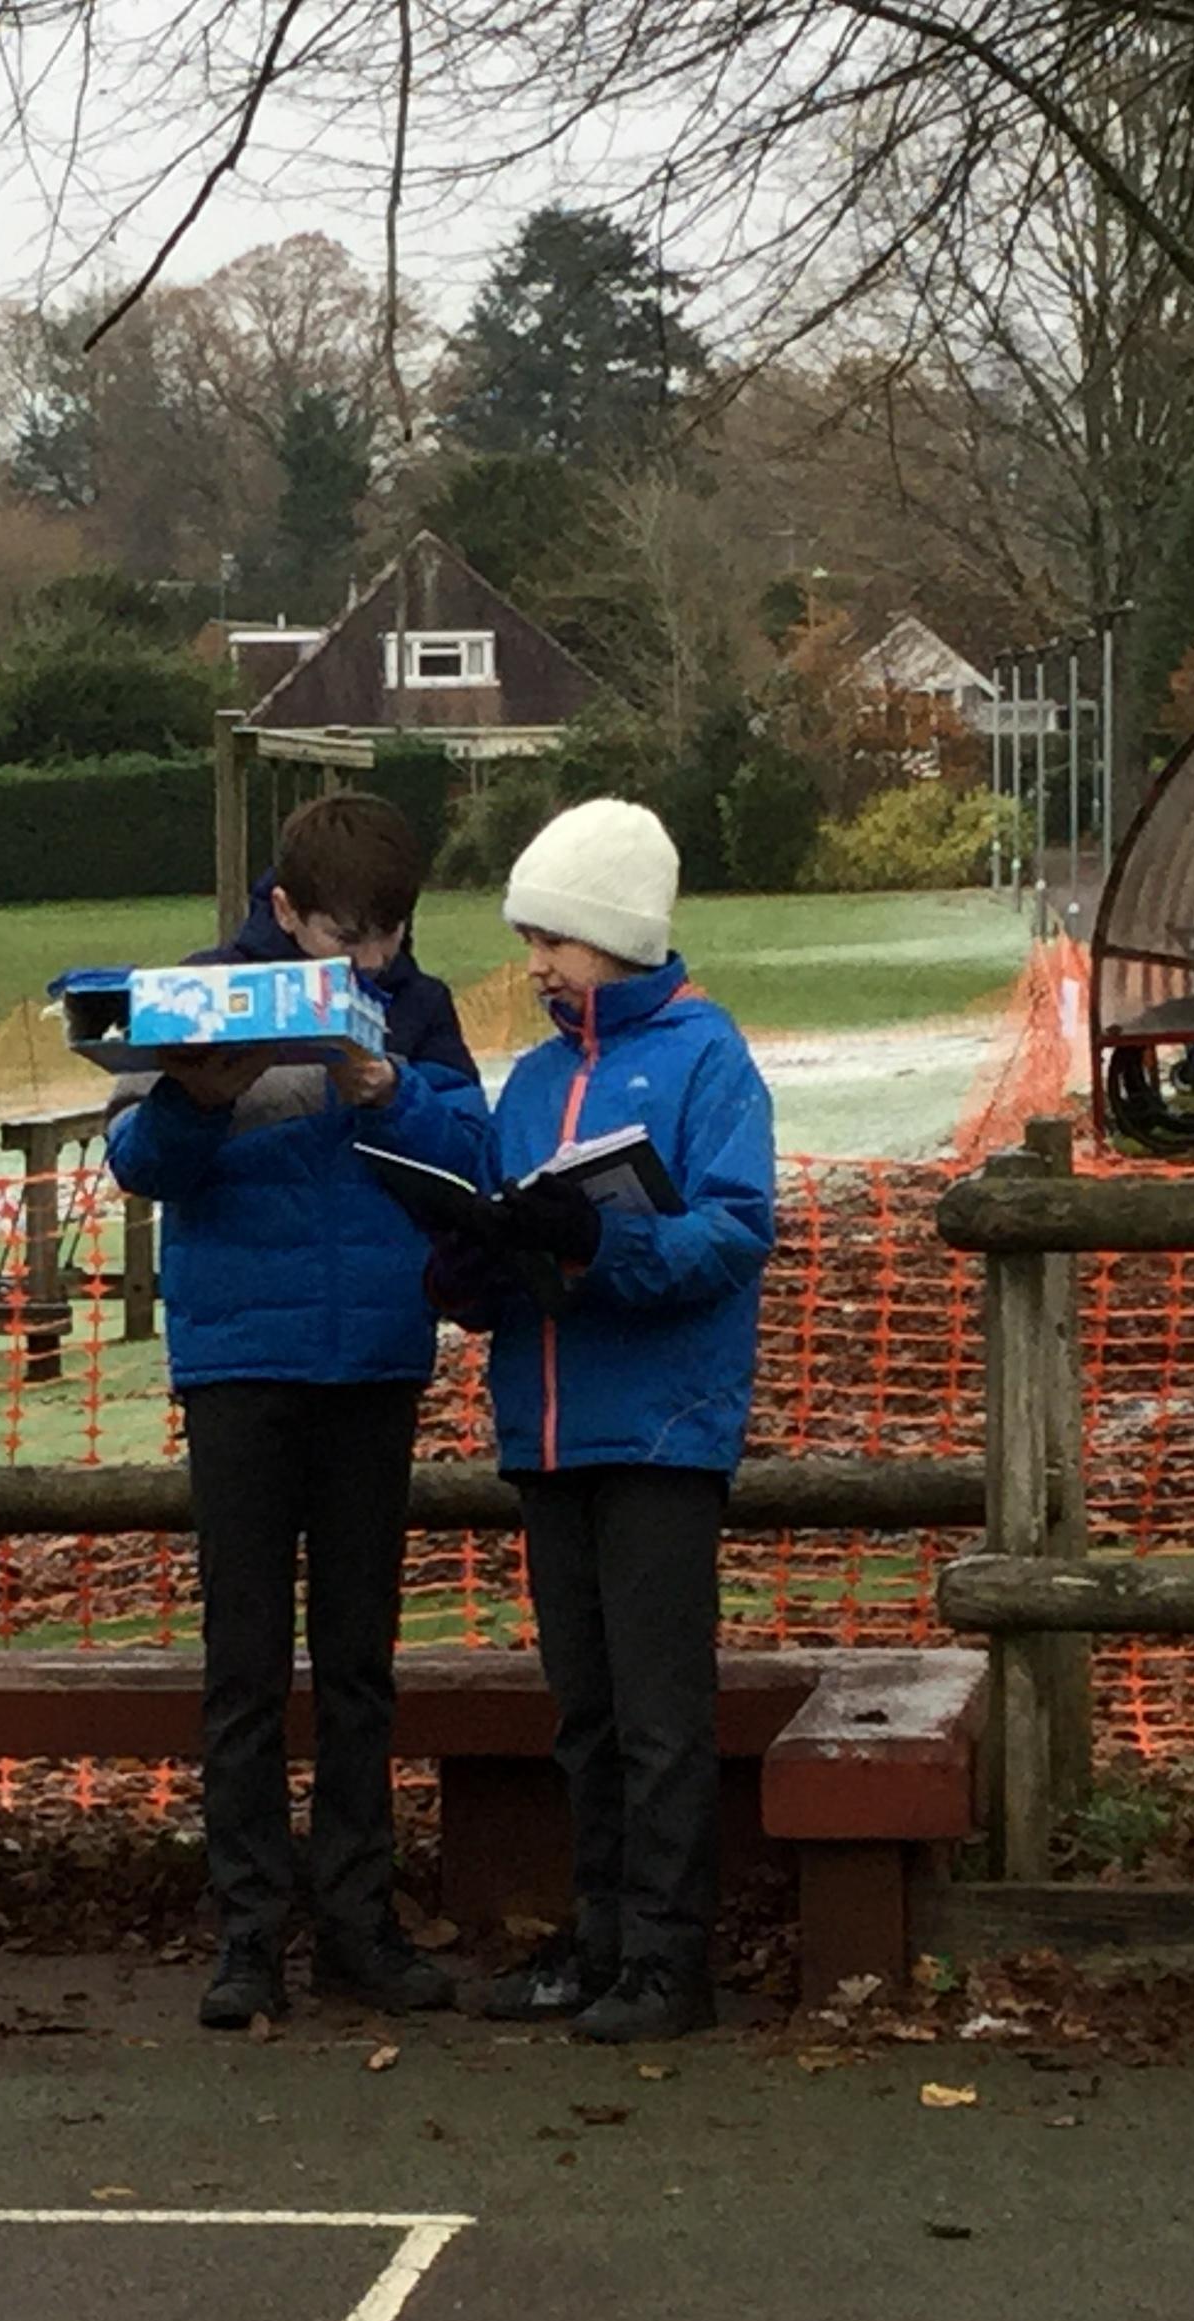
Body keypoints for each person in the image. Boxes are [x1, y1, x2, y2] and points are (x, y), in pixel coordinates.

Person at [106, 792, 493, 2029]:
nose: (368, 959)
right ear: (284, 910)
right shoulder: (203, 992)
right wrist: (200, 1098)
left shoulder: (421, 1009)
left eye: (388, 934)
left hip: (373, 1359)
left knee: (361, 1661)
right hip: (240, 1365)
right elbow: (136, 1165)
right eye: (343, 935)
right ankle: (247, 1936)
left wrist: (392, 1092)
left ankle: (360, 1924)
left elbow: (472, 1157)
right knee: (245, 1662)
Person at [441, 796, 775, 2045]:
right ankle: (599, 1942)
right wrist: (473, 1265)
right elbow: (515, 1220)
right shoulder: (532, 1081)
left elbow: (732, 1233)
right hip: (548, 1428)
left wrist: (599, 1243)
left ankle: (668, 1956)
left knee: (659, 1714)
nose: (535, 965)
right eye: (530, 941)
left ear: (619, 937)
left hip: (660, 1432)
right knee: (584, 1711)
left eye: (553, 941)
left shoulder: (707, 1060)